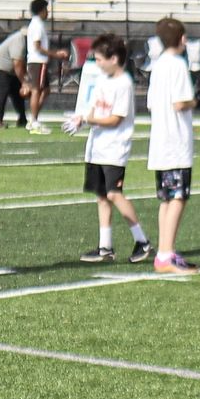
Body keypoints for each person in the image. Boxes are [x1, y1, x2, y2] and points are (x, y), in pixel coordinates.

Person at [66, 34, 148, 264]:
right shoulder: (103, 80)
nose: (97, 63)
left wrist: (91, 120)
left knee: (114, 193)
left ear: (114, 59)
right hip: (97, 146)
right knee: (102, 196)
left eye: (100, 59)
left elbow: (115, 118)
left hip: (114, 147)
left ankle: (142, 240)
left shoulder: (124, 83)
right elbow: (93, 109)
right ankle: (105, 247)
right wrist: (80, 119)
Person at [147, 17, 200, 274]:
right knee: (178, 197)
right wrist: (194, 101)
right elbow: (180, 102)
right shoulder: (178, 65)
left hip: (159, 141)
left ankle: (164, 251)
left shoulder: (157, 66)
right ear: (181, 39)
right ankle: (166, 254)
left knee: (166, 199)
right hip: (176, 141)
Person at [0, 24, 27, 129]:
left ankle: (22, 118)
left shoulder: (21, 39)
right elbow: (17, 63)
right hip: (0, 67)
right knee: (2, 92)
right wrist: (24, 81)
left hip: (9, 69)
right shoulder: (19, 39)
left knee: (16, 93)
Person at [23, 0, 54, 134]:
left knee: (45, 90)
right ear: (41, 10)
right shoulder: (37, 24)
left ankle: (33, 117)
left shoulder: (37, 24)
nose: (47, 13)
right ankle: (34, 121)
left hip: (39, 61)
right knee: (37, 90)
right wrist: (55, 54)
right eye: (46, 10)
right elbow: (37, 46)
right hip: (38, 61)